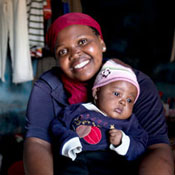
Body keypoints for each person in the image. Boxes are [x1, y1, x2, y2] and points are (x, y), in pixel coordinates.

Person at [23, 12, 174, 175]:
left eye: (82, 41)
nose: (75, 54)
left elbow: (156, 146)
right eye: (62, 51)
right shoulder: (48, 87)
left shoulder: (135, 85)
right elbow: (38, 142)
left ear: (101, 43)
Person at [51, 59, 148, 163]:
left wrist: (123, 142)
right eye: (117, 94)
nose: (123, 102)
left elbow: (141, 144)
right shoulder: (78, 110)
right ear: (97, 92)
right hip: (76, 159)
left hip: (109, 163)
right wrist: (68, 140)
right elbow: (57, 125)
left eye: (129, 100)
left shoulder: (130, 122)